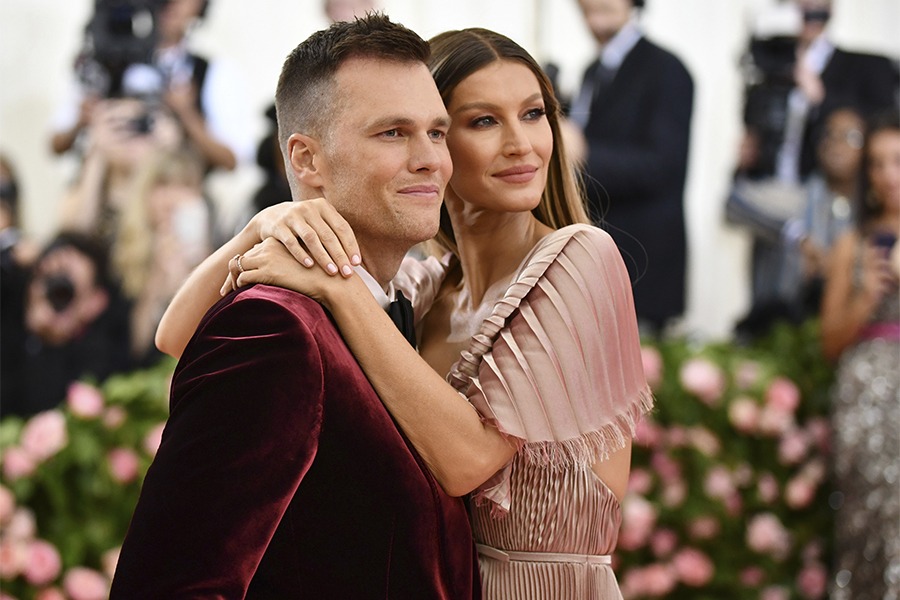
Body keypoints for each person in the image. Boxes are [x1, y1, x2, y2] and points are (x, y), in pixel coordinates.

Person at [157, 26, 652, 599]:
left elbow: (469, 461)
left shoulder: (581, 257)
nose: (522, 143)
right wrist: (262, 225)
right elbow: (178, 335)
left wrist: (339, 288)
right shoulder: (421, 287)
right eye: (483, 121)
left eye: (535, 113)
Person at [110, 15, 479, 599]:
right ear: (306, 161)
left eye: (437, 132)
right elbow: (172, 584)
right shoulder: (272, 328)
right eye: (393, 133)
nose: (432, 158)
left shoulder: (401, 299)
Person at [565, 0, 694, 335]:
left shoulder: (667, 69)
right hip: (594, 263)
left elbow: (663, 165)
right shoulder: (591, 71)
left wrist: (584, 152)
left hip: (642, 265)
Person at [820, 110, 899, 599]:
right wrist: (866, 295)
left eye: (898, 161)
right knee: (864, 519)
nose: (888, 174)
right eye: (877, 163)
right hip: (864, 397)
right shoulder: (853, 243)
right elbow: (829, 342)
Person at [50, 0, 253, 172]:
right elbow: (56, 144)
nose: (170, 4)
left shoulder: (211, 72)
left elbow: (232, 160)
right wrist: (83, 119)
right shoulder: (103, 64)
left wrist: (186, 115)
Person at [727, 106, 866, 339]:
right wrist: (798, 237)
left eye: (849, 136)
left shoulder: (868, 215)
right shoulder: (797, 198)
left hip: (845, 336)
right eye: (828, 134)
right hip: (780, 330)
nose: (835, 143)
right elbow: (734, 203)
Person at [738, 0, 898, 184]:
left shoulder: (864, 68)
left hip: (824, 188)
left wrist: (820, 97)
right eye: (800, 5)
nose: (808, 12)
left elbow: (878, 126)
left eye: (815, 6)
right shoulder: (771, 66)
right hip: (769, 187)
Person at [14, 231, 132, 418]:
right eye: (49, 278)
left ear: (96, 303)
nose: (55, 292)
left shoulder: (103, 357)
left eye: (68, 289)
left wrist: (54, 338)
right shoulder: (10, 325)